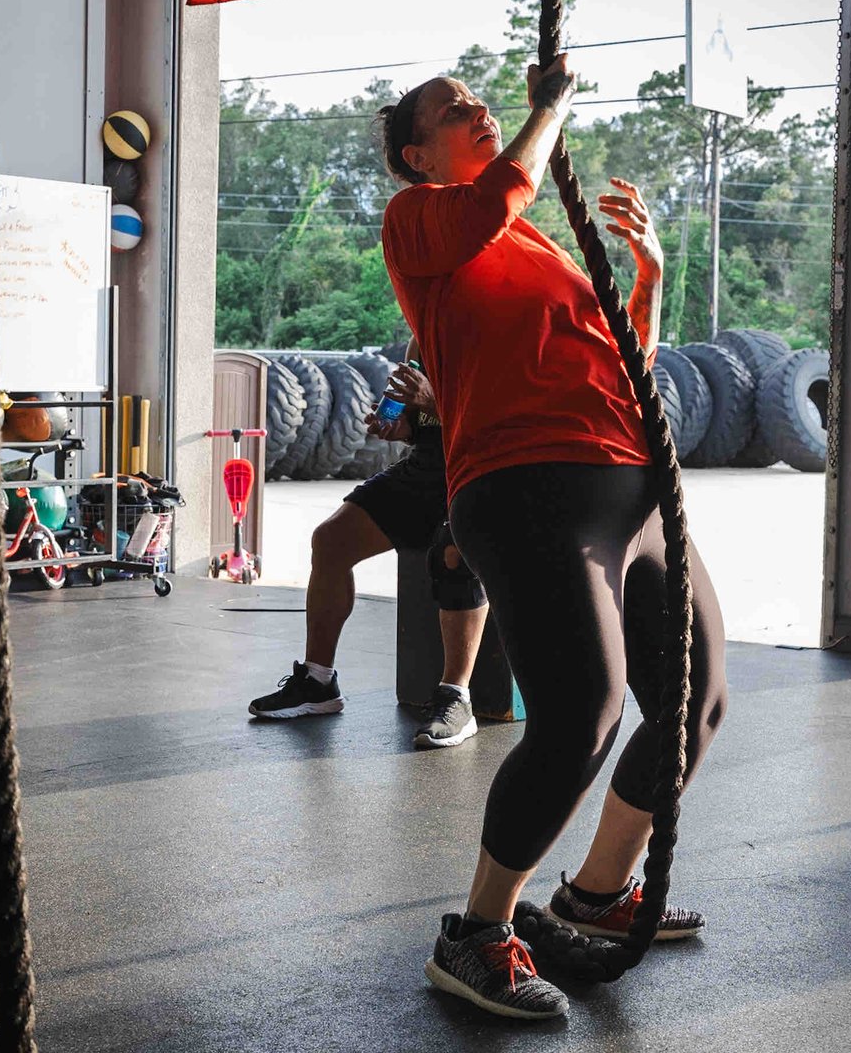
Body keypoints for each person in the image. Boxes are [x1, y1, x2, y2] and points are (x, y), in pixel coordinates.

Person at [377, 56, 728, 1019]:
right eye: (455, 110)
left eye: (483, 101)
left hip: (635, 489)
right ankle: (478, 931)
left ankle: (597, 895)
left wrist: (647, 280)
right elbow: (494, 197)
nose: (478, 108)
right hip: (527, 484)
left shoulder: (537, 245)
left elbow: (624, 362)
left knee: (693, 701)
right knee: (581, 710)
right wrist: (549, 110)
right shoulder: (425, 225)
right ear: (417, 155)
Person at [248, 349, 488, 750]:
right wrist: (403, 427)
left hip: (483, 467)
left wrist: (434, 401)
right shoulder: (421, 340)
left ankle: (456, 697)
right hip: (427, 468)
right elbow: (425, 427)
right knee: (330, 541)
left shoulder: (492, 333)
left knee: (455, 550)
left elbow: (503, 425)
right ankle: (318, 682)